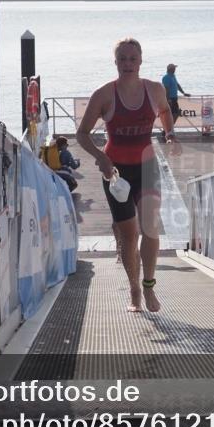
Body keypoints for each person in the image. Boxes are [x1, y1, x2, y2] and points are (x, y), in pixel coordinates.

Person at [77, 38, 182, 313]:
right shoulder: (104, 94)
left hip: (147, 168)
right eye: (122, 59)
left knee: (151, 228)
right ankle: (134, 287)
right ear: (115, 62)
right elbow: (82, 134)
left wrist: (170, 134)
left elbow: (165, 111)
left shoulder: (155, 89)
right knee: (129, 235)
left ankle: (148, 286)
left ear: (141, 61)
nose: (128, 64)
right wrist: (101, 157)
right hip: (116, 174)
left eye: (132, 59)